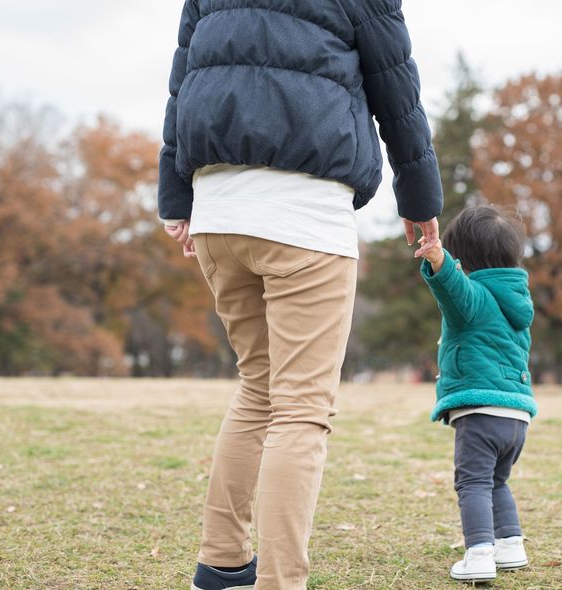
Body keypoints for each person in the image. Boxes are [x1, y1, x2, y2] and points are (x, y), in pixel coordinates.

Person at [157, 1, 443, 589]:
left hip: (217, 211)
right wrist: (420, 202)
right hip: (303, 214)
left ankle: (221, 563)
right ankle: (280, 582)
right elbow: (398, 92)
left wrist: (177, 199)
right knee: (301, 409)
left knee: (258, 388)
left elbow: (181, 82)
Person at [417, 206, 537, 583]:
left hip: (481, 413)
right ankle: (511, 544)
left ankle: (479, 553)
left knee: (472, 484)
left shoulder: (475, 298)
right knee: (496, 482)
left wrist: (438, 259)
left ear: (463, 258)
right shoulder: (518, 303)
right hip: (516, 418)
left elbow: (454, 288)